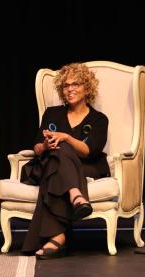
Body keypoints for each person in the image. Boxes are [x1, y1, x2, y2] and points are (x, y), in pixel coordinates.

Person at [21, 63, 110, 259]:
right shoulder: (52, 114)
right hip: (51, 162)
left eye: (76, 84)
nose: (70, 89)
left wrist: (66, 138)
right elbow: (36, 148)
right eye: (66, 86)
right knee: (55, 157)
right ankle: (76, 196)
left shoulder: (99, 119)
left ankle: (58, 236)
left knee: (59, 156)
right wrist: (45, 145)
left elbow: (90, 151)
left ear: (87, 87)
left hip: (86, 166)